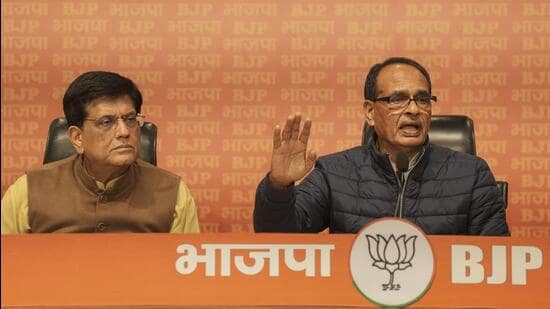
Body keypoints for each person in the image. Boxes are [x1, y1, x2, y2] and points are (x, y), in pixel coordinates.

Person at [254, 57, 509, 235]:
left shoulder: (471, 174)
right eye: (397, 99)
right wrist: (278, 186)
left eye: (423, 99)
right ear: (370, 112)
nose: (413, 110)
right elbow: (279, 238)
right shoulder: (334, 172)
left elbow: (497, 261)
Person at [1, 71, 200, 233]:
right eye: (106, 122)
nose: (124, 132)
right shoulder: (28, 190)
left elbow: (185, 274)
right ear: (77, 137)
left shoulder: (173, 193)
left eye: (130, 119)